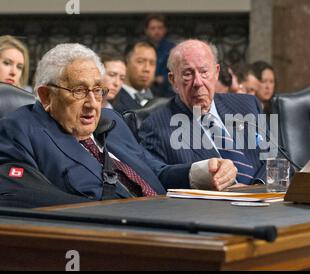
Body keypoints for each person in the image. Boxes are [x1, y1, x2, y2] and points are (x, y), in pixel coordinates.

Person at [0, 43, 237, 205]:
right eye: (80, 91)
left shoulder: (111, 121)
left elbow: (154, 172)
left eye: (97, 90)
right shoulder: (20, 128)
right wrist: (109, 213)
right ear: (46, 96)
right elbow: (17, 194)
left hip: (170, 221)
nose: (93, 104)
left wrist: (202, 172)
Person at [139, 39, 267, 187]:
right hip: (213, 207)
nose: (198, 82)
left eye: (204, 72)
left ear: (216, 72)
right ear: (173, 80)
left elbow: (275, 156)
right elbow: (155, 174)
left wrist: (256, 188)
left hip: (263, 201)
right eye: (188, 74)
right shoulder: (155, 125)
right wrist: (200, 173)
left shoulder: (247, 105)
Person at [112, 41, 158, 114]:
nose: (147, 69)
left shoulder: (161, 98)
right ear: (125, 63)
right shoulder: (112, 99)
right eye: (140, 61)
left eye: (152, 63)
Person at [144, 14, 175, 97]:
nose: (157, 31)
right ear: (146, 30)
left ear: (165, 30)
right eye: (153, 28)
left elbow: (178, 72)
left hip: (168, 91)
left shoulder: (173, 49)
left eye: (160, 28)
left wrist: (164, 78)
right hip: (146, 90)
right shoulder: (140, 49)